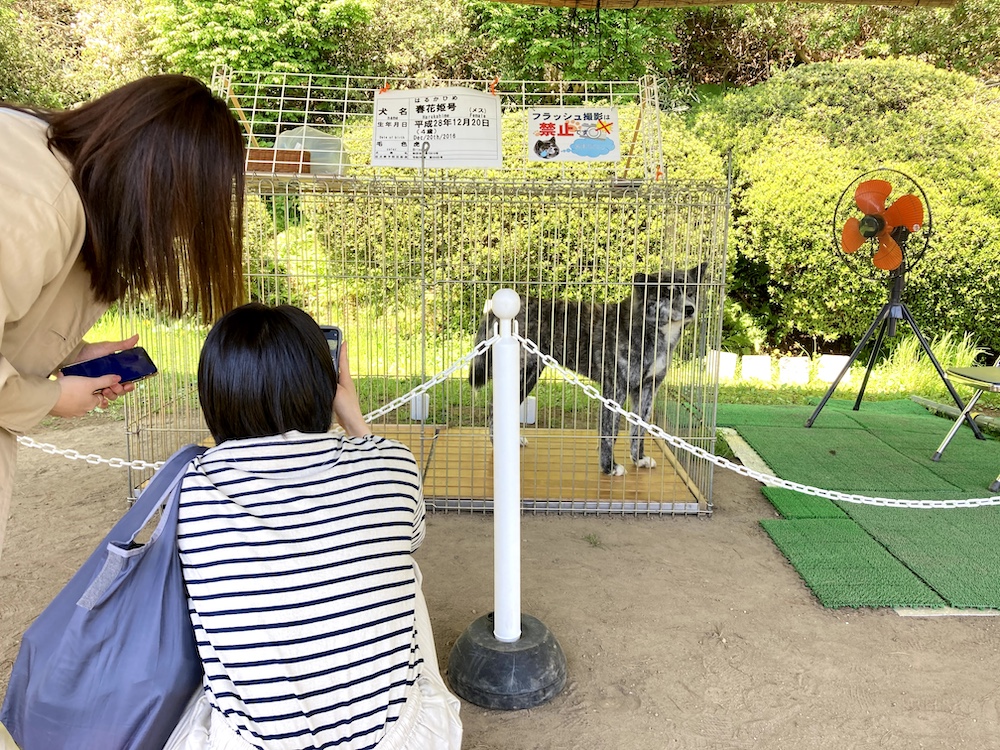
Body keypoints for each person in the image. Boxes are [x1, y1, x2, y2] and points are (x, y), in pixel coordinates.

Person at [166, 303, 462, 750]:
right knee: (405, 567)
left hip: (255, 743)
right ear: (326, 382)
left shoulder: (193, 486)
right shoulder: (391, 463)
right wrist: (354, 420)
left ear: (215, 391)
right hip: (400, 739)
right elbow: (412, 534)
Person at [0, 74, 247, 563]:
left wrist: (69, 350)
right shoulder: (36, 205)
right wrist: (52, 398)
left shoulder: (36, 156)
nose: (180, 231)